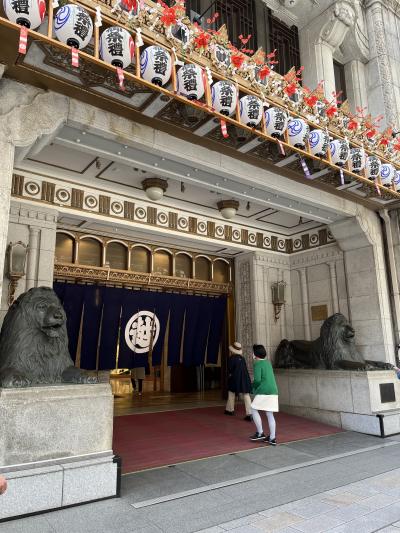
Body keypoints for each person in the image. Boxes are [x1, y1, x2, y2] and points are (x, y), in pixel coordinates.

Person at [249, 344, 279, 445]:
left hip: (264, 391)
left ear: (255, 354)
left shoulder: (257, 363)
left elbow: (257, 380)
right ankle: (272, 438)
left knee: (253, 408)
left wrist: (252, 386)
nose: (252, 353)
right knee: (270, 414)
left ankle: (260, 433)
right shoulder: (268, 363)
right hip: (273, 390)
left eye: (252, 352)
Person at [225, 341, 252, 421]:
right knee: (246, 395)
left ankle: (230, 410)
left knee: (231, 392)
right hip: (245, 378)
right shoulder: (242, 358)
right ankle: (249, 413)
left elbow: (230, 370)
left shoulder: (231, 358)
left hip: (235, 378)